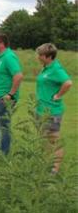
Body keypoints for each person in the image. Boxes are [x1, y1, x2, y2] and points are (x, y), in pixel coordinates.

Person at [34, 43, 72, 174]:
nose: (38, 57)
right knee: (44, 139)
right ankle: (47, 164)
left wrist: (58, 95)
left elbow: (67, 83)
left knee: (54, 139)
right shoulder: (46, 67)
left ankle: (55, 169)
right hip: (41, 110)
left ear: (48, 56)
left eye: (40, 55)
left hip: (52, 111)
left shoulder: (56, 69)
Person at [0, 34, 23, 156]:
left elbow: (18, 76)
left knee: (4, 127)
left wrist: (10, 94)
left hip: (3, 98)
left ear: (2, 44)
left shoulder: (9, 57)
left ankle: (4, 154)